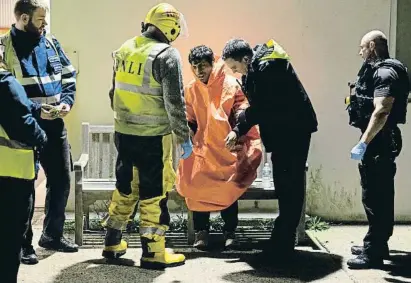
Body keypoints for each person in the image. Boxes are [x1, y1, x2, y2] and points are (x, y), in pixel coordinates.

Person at [102, 3, 193, 269]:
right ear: (172, 27)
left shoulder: (125, 48)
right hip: (154, 137)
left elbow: (113, 92)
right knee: (155, 191)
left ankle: (112, 241)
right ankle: (153, 252)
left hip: (124, 132)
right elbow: (174, 102)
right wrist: (182, 136)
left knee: (126, 185)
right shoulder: (166, 55)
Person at [222, 38, 318, 261]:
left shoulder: (268, 68)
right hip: (286, 131)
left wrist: (238, 129)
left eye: (235, 67)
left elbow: (263, 106)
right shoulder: (258, 67)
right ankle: (281, 239)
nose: (235, 72)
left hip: (293, 132)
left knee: (290, 186)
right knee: (285, 184)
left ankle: (283, 244)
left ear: (245, 58)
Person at [0, 0, 78, 264]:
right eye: (40, 20)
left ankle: (52, 235)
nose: (44, 24)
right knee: (25, 186)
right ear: (23, 19)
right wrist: (35, 113)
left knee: (62, 179)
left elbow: (69, 75)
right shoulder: (4, 48)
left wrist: (67, 101)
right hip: (22, 127)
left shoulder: (51, 43)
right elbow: (6, 95)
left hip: (55, 123)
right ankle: (24, 245)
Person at [176, 45, 263, 249]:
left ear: (212, 64)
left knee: (228, 186)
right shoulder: (191, 89)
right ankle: (201, 232)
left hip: (227, 149)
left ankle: (230, 231)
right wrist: (188, 129)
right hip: (202, 152)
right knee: (196, 185)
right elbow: (189, 115)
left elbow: (242, 111)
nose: (199, 71)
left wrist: (236, 133)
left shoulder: (231, 84)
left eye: (203, 66)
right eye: (195, 66)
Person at [346, 30, 409, 269]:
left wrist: (364, 142)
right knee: (373, 195)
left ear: (372, 46)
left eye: (362, 47)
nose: (360, 52)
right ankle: (376, 244)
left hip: (380, 141)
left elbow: (382, 110)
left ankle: (374, 252)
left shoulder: (385, 73)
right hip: (378, 140)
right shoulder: (379, 70)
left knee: (378, 197)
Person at [0, 59, 48, 282]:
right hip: (12, 176)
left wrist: (37, 108)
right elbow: (23, 124)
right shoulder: (5, 82)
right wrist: (43, 137)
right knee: (9, 243)